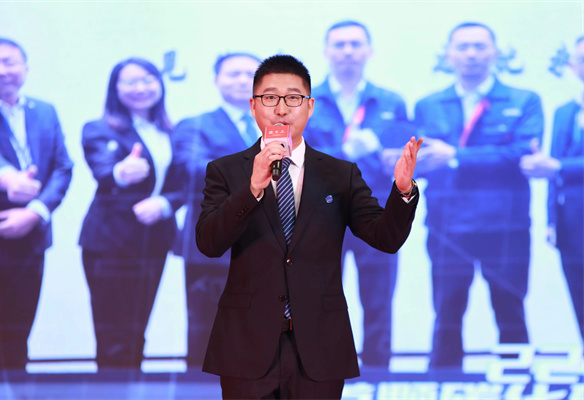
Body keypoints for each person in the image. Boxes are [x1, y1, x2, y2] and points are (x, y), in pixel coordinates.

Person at [196, 54, 422, 399]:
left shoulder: (340, 173)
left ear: (310, 107)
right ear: (253, 107)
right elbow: (209, 243)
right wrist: (252, 188)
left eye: (293, 98)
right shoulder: (225, 170)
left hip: (320, 344)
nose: (281, 109)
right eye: (269, 98)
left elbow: (384, 238)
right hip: (247, 344)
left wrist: (402, 192)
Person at [414, 22, 543, 369]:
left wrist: (454, 156)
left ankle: (517, 382)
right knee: (446, 312)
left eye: (480, 46)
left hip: (506, 225)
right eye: (463, 47)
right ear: (448, 54)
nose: (471, 54)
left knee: (510, 309)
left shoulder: (524, 100)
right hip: (446, 225)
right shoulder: (428, 105)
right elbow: (422, 160)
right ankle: (442, 383)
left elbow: (521, 154)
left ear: (495, 53)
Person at [304, 20, 413, 368]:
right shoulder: (304, 101)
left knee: (379, 298)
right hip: (319, 215)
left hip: (375, 213)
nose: (348, 51)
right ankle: (319, 373)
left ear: (369, 51)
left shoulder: (391, 102)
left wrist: (391, 157)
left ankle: (378, 373)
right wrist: (346, 150)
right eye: (339, 45)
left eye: (355, 44)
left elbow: (403, 159)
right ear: (326, 52)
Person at [79, 58, 186, 369]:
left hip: (155, 239)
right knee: (113, 331)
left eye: (148, 79)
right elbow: (103, 170)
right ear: (115, 89)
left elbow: (186, 183)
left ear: (160, 84)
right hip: (110, 241)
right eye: (130, 81)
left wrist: (165, 204)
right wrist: (122, 172)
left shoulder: (173, 131)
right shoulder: (98, 129)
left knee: (137, 327)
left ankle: (133, 385)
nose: (141, 88)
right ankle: (111, 388)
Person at [0, 37, 73, 370]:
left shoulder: (43, 111)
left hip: (28, 240)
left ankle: (7, 392)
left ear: (25, 68)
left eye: (9, 62)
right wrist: (6, 177)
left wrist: (36, 211)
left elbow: (62, 167)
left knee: (13, 338)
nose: (0, 70)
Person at [172, 52, 261, 369]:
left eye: (250, 74)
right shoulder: (195, 125)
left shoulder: (285, 126)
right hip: (215, 249)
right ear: (216, 81)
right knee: (207, 337)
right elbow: (194, 169)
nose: (242, 80)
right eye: (233, 73)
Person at [520, 36, 584, 339]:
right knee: (579, 293)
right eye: (582, 60)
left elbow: (557, 165)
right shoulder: (564, 111)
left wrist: (558, 166)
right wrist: (551, 220)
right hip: (571, 223)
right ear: (572, 66)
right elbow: (551, 168)